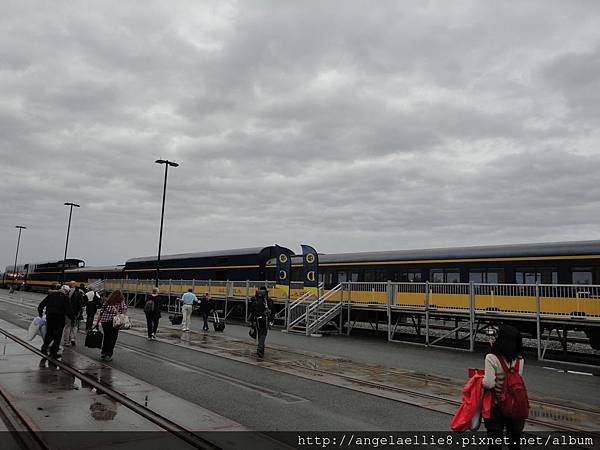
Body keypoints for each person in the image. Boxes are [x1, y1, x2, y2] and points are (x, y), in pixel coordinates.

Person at [482, 325, 526, 450]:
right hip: (514, 405)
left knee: (495, 443)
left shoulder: (491, 357)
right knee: (514, 443)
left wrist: (480, 382)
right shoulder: (520, 358)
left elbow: (489, 383)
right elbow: (516, 379)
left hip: (496, 406)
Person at [38, 285, 74, 359]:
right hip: (59, 318)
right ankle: (53, 352)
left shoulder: (51, 295)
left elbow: (41, 305)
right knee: (57, 335)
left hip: (49, 317)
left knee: (49, 333)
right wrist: (72, 319)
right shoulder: (65, 298)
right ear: (66, 291)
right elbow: (69, 310)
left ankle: (44, 348)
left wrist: (40, 313)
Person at [97, 290, 127, 362]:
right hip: (115, 322)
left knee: (106, 337)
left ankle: (103, 353)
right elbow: (124, 310)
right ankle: (108, 355)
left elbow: (101, 312)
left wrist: (97, 322)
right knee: (112, 339)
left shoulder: (107, 302)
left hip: (105, 322)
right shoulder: (121, 302)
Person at [249, 286, 273, 358]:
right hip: (264, 320)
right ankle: (260, 349)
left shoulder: (254, 300)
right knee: (263, 334)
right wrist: (271, 320)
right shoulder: (269, 301)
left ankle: (261, 350)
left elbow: (252, 312)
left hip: (257, 320)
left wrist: (252, 322)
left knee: (260, 334)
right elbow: (272, 311)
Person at [62, 281, 84, 347]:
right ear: (75, 285)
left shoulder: (66, 292)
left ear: (70, 285)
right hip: (76, 312)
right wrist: (80, 312)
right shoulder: (79, 293)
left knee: (67, 326)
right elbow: (81, 304)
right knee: (74, 326)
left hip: (67, 312)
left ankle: (66, 341)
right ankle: (73, 339)